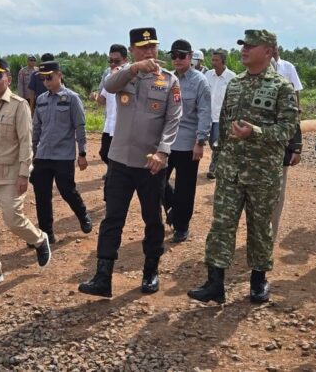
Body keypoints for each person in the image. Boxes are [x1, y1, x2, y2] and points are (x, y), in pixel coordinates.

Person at [187, 29, 299, 305]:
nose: (244, 50)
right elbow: (225, 124)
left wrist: (256, 132)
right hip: (231, 170)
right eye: (243, 45)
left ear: (268, 51)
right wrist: (222, 155)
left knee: (259, 227)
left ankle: (258, 281)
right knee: (221, 225)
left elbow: (288, 128)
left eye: (251, 45)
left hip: (262, 173)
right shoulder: (235, 84)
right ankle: (215, 283)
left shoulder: (281, 87)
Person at [78, 27, 182, 297]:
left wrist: (163, 152)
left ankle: (150, 271)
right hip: (120, 161)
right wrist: (133, 69)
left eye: (152, 47)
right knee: (113, 219)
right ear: (133, 50)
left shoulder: (169, 80)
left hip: (151, 164)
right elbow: (109, 87)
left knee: (153, 219)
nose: (149, 52)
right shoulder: (123, 75)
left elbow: (173, 119)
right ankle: (102, 277)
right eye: (143, 48)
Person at [0, 58, 51, 290]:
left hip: (9, 175)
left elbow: (26, 142)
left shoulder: (18, 105)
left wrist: (24, 173)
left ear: (8, 79)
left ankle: (39, 239)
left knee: (13, 219)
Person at [31, 60, 92, 243]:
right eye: (43, 79)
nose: (46, 82)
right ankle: (47, 233)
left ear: (59, 75)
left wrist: (82, 153)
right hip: (43, 155)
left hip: (63, 155)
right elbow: (36, 128)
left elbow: (80, 127)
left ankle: (82, 214)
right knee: (42, 195)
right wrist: (33, 152)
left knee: (67, 190)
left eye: (49, 77)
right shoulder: (41, 100)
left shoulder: (72, 98)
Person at [162, 39, 212, 243]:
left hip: (188, 143)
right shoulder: (167, 79)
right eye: (174, 56)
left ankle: (181, 226)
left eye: (182, 56)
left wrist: (200, 141)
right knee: (156, 181)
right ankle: (173, 208)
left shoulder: (200, 81)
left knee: (186, 188)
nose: (177, 59)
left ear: (190, 57)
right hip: (166, 141)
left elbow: (205, 112)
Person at [269, 49, 304, 240]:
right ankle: (258, 234)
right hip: (253, 153)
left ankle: (270, 235)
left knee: (277, 192)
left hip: (279, 148)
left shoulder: (285, 89)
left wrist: (296, 147)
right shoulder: (244, 86)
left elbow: (293, 117)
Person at [95, 45, 128, 181]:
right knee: (104, 153)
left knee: (120, 156)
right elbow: (102, 99)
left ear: (125, 60)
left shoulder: (132, 76)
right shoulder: (109, 76)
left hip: (125, 126)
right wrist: (95, 96)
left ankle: (116, 175)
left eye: (117, 61)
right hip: (110, 124)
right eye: (110, 61)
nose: (113, 64)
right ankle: (116, 172)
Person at [203, 50, 236, 180]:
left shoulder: (232, 77)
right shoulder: (208, 75)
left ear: (223, 61)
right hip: (207, 116)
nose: (213, 62)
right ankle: (219, 164)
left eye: (216, 60)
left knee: (216, 142)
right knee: (210, 142)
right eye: (213, 60)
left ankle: (214, 168)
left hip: (221, 118)